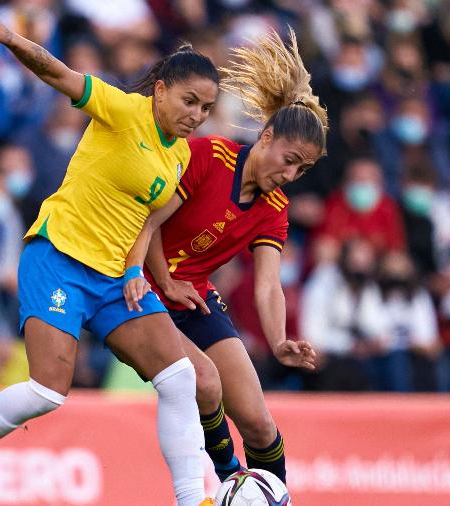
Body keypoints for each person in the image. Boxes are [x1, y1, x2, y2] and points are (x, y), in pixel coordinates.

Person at [0, 1, 220, 505]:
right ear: (159, 90)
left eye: (206, 109)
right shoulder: (121, 110)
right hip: (58, 259)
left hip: (113, 281)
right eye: (189, 101)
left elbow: (145, 221)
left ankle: (191, 499)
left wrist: (135, 268)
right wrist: (6, 36)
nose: (195, 116)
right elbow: (58, 72)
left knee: (180, 379)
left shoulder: (176, 155)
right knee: (47, 391)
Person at [133, 29, 323, 484]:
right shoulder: (209, 155)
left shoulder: (275, 209)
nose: (291, 174)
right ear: (268, 135)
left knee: (258, 423)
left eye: (303, 169)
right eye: (290, 158)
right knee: (205, 383)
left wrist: (278, 341)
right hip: (139, 288)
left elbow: (268, 283)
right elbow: (149, 222)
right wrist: (167, 279)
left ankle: (273, 496)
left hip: (193, 300)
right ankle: (227, 483)